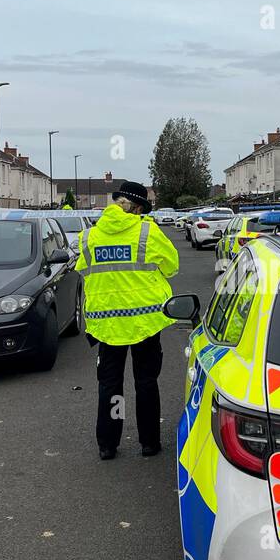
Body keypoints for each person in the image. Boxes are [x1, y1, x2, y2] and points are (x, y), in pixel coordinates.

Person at [75, 180, 179, 460]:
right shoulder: (148, 231)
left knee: (110, 385)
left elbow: (83, 271)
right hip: (144, 323)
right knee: (145, 382)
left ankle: (107, 445)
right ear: (136, 208)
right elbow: (172, 267)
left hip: (106, 325)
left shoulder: (89, 236)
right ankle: (148, 443)